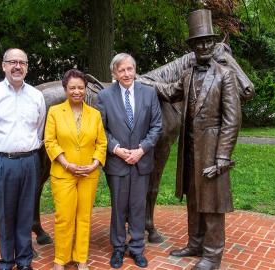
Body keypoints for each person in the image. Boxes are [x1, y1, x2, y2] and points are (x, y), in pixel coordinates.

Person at [153, 10, 242, 270]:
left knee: (213, 205)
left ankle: (213, 256)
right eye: (198, 42)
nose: (203, 46)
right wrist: (144, 82)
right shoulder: (189, 74)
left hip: (214, 150)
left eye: (208, 41)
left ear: (213, 45)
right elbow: (170, 92)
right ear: (192, 47)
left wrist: (223, 156)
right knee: (193, 200)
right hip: (190, 151)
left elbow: (232, 120)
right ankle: (195, 242)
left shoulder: (225, 75)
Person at [0, 48, 46, 270]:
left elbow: (39, 130)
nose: (18, 66)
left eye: (22, 62)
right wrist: (3, 156)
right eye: (12, 62)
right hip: (2, 163)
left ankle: (24, 261)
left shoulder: (36, 96)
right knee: (5, 215)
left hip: (30, 162)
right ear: (3, 65)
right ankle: (7, 261)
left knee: (26, 213)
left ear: (27, 67)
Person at [96, 53, 162, 269]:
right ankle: (117, 248)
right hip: (117, 162)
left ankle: (136, 248)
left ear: (135, 70)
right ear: (114, 73)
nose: (126, 73)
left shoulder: (149, 93)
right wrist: (116, 149)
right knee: (118, 207)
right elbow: (101, 129)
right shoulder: (105, 96)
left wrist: (141, 150)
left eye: (129, 69)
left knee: (137, 206)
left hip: (141, 161)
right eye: (121, 70)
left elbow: (156, 126)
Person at [44, 69, 107, 270]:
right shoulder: (54, 112)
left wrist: (95, 163)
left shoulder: (95, 115)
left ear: (85, 89)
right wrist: (66, 164)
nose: (77, 91)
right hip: (64, 173)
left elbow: (102, 143)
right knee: (64, 217)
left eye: (80, 87)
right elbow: (50, 141)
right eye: (72, 88)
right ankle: (60, 259)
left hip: (88, 174)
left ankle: (81, 259)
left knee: (84, 217)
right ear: (65, 89)